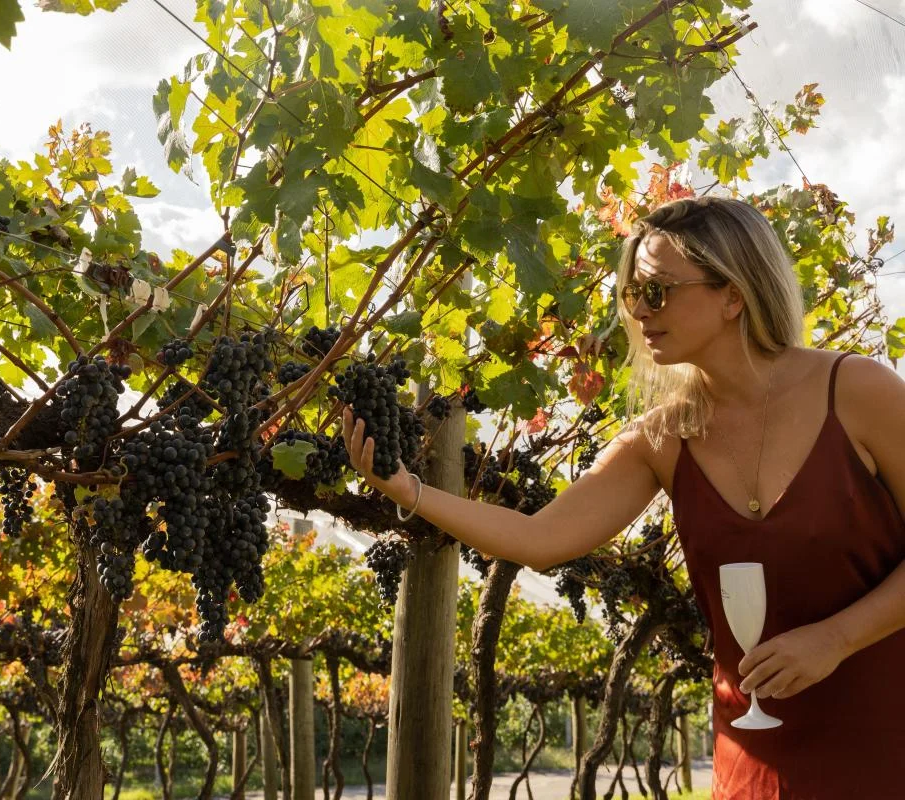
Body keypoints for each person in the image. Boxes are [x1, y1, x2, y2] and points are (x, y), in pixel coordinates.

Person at [341, 196, 905, 798]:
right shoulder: (662, 439)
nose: (637, 312)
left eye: (656, 292)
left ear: (732, 295)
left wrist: (836, 639)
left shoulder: (858, 392)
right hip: (757, 765)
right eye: (632, 294)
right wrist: (409, 490)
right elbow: (540, 541)